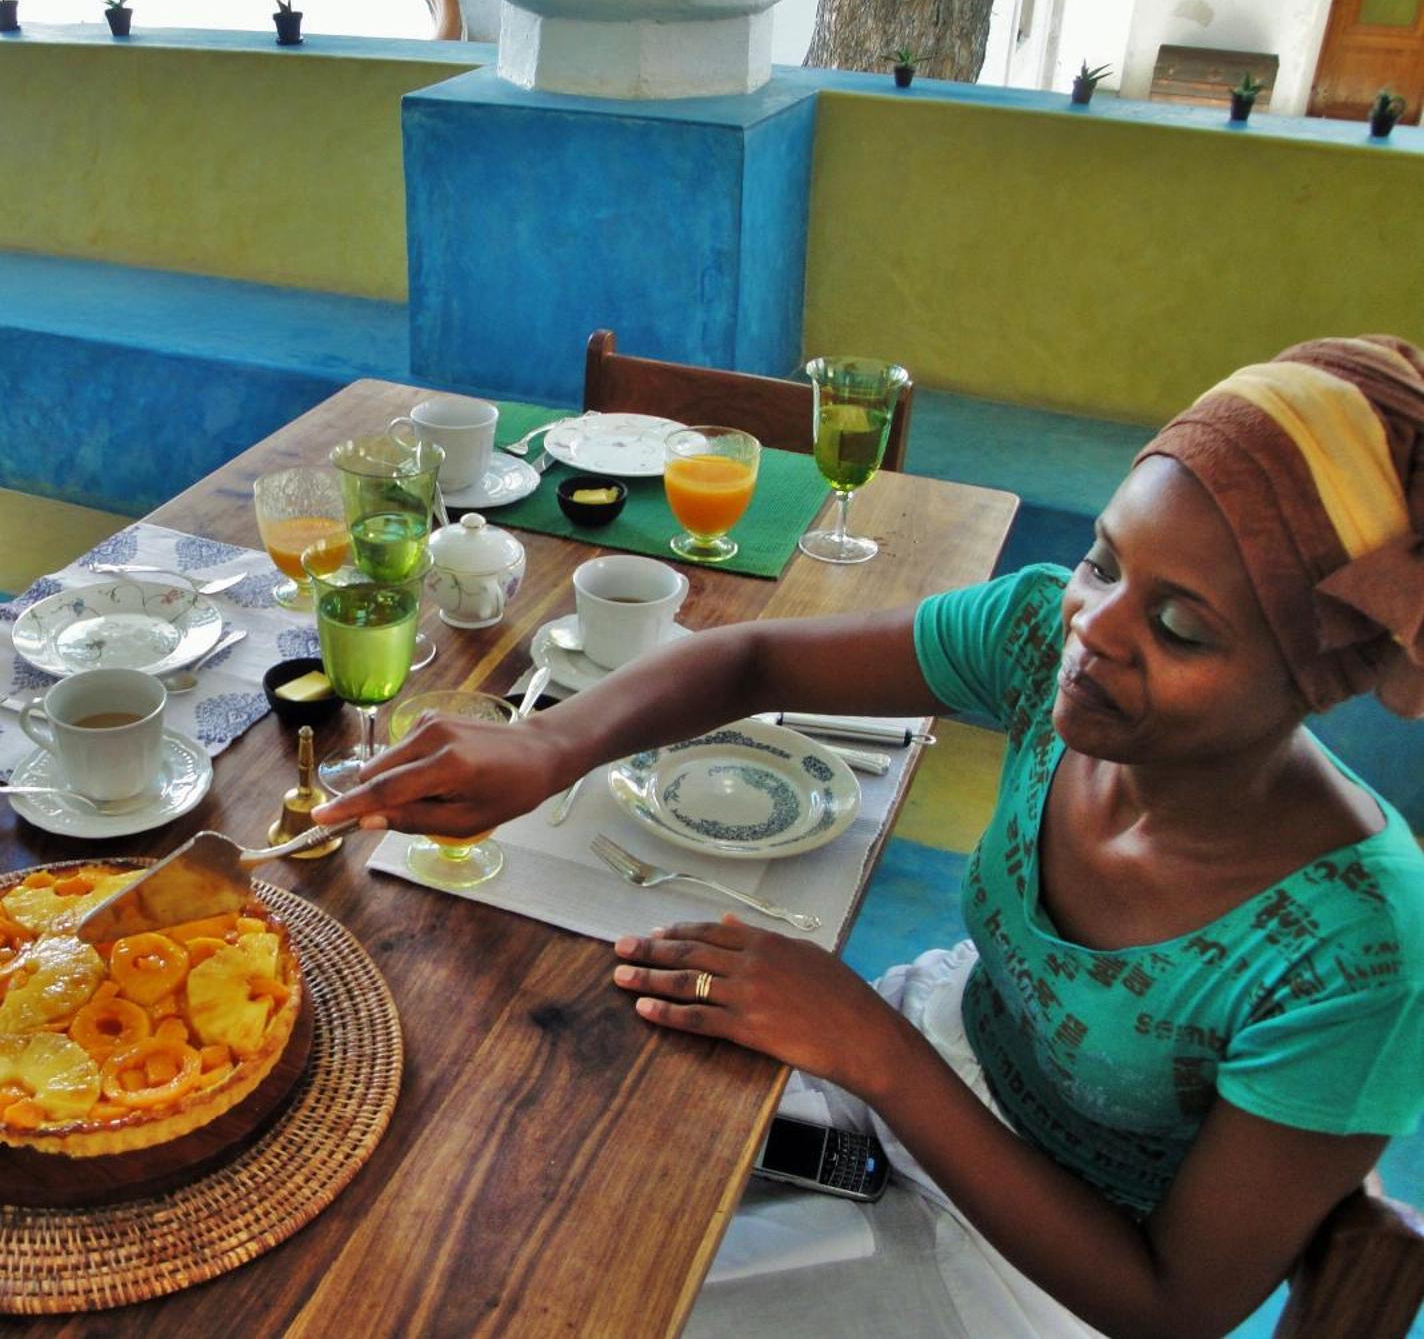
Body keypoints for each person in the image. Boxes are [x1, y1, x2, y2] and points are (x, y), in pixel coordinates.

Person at [316, 336, 1424, 1337]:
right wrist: (552, 750)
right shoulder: (1043, 641)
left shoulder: (1356, 954)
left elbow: (1167, 1303)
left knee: (582, 1296)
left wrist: (871, 1052)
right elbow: (754, 662)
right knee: (522, 1176)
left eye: (1179, 626)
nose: (1094, 629)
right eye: (1102, 559)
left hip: (1040, 1269)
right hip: (926, 1055)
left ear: (1312, 679)